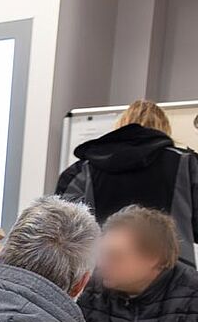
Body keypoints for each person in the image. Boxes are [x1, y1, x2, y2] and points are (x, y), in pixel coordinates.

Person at [57, 99, 198, 267]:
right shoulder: (187, 165)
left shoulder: (84, 169)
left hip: (103, 272)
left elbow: (63, 232)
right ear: (164, 128)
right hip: (170, 275)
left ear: (120, 125)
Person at [80, 205, 198, 322]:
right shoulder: (87, 287)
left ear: (153, 258)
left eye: (115, 256)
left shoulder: (192, 293)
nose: (101, 264)